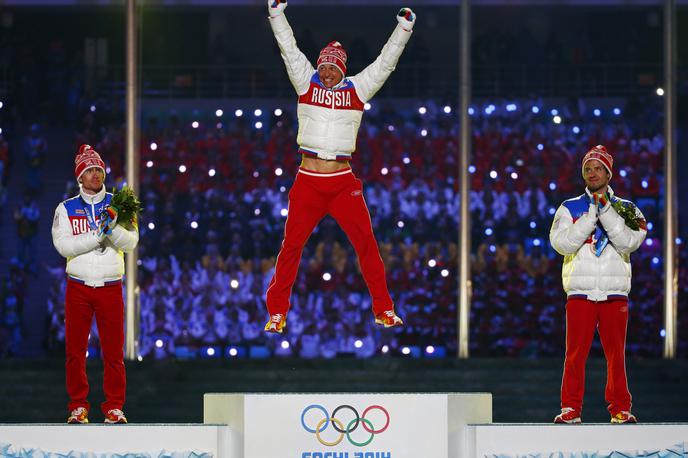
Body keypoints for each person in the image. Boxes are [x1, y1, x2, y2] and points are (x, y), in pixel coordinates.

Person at [263, 0, 416, 333]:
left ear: (343, 70)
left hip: (343, 181)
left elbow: (385, 63)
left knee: (366, 244)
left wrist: (403, 29)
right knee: (291, 246)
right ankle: (277, 312)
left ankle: (384, 309)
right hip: (308, 180)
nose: (327, 72)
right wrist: (277, 14)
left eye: (333, 68)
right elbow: (288, 49)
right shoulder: (306, 83)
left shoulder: (358, 89)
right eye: (324, 66)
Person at [549, 145, 647, 424]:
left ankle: (620, 408)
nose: (592, 173)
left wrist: (605, 211)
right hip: (580, 291)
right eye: (587, 169)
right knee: (574, 354)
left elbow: (630, 241)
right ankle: (570, 408)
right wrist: (590, 217)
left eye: (598, 168)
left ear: (609, 173)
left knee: (616, 355)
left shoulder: (628, 209)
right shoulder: (569, 207)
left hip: (615, 293)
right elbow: (560, 243)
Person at [51, 144, 139, 424]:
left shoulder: (120, 203)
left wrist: (111, 229)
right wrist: (96, 236)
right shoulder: (65, 209)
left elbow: (132, 242)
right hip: (78, 286)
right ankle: (78, 406)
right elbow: (64, 247)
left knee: (114, 352)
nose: (96, 175)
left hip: (111, 286)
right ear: (80, 176)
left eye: (99, 170)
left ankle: (114, 406)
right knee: (75, 351)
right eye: (89, 170)